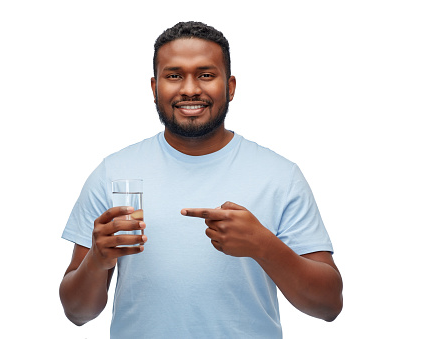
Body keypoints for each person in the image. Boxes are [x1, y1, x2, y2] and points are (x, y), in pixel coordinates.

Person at [59, 21, 343, 338]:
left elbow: (328, 306)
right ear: (154, 88)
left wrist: (265, 246)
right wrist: (98, 261)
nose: (190, 88)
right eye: (174, 75)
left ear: (230, 86)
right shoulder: (113, 173)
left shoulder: (279, 175)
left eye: (206, 75)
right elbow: (77, 313)